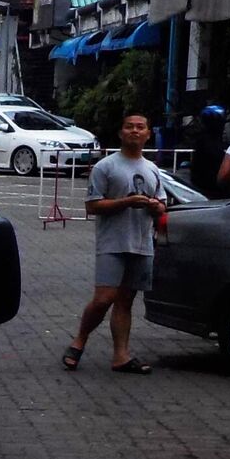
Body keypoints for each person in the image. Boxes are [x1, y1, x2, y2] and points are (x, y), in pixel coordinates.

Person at [63, 111, 166, 374]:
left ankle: (121, 355)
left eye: (140, 127)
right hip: (112, 242)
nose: (135, 131)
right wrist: (126, 202)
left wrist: (155, 206)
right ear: (121, 133)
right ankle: (79, 340)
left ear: (148, 134)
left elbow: (162, 204)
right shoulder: (105, 166)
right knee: (104, 298)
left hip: (142, 243)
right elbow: (92, 205)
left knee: (125, 301)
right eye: (129, 126)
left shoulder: (152, 169)